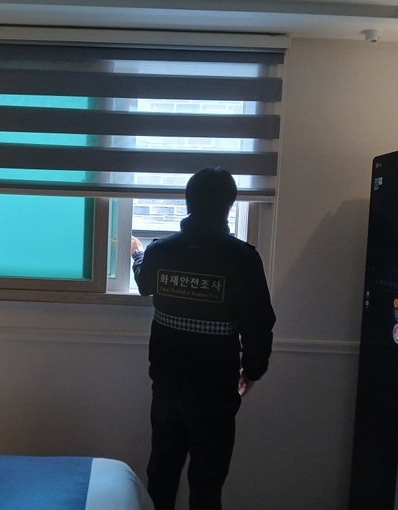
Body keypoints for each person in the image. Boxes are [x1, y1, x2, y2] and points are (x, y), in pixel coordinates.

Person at [131, 167, 276, 510]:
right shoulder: (243, 258)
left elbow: (144, 284)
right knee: (208, 482)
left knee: (161, 473)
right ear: (229, 205)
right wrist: (252, 371)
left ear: (188, 201)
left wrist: (138, 254)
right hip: (215, 387)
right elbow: (259, 322)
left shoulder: (161, 250)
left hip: (167, 383)